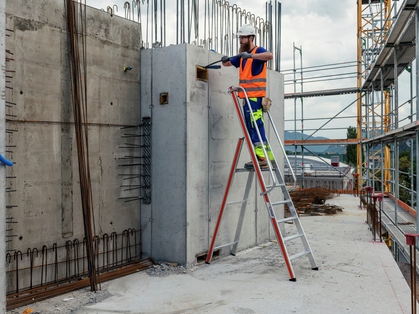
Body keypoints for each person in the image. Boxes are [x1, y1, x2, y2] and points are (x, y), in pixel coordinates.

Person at [221, 24, 274, 169]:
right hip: (247, 98)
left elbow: (270, 56)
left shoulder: (257, 51)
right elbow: (227, 64)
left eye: (243, 37)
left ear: (251, 38)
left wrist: (251, 55)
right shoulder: (242, 57)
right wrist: (224, 60)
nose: (240, 40)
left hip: (255, 98)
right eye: (239, 37)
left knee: (255, 127)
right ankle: (266, 158)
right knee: (255, 127)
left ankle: (262, 159)